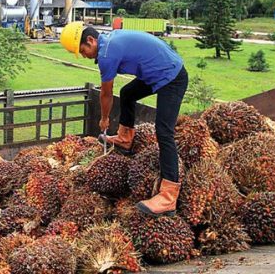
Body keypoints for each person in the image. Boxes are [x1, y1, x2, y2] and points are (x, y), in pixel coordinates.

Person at [60, 22, 188, 217]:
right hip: (156, 71)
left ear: (91, 40)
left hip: (171, 76)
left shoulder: (106, 55)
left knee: (164, 132)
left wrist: (104, 119)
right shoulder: (108, 42)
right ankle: (125, 138)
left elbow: (105, 93)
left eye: (82, 50)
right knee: (127, 93)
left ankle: (169, 196)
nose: (84, 55)